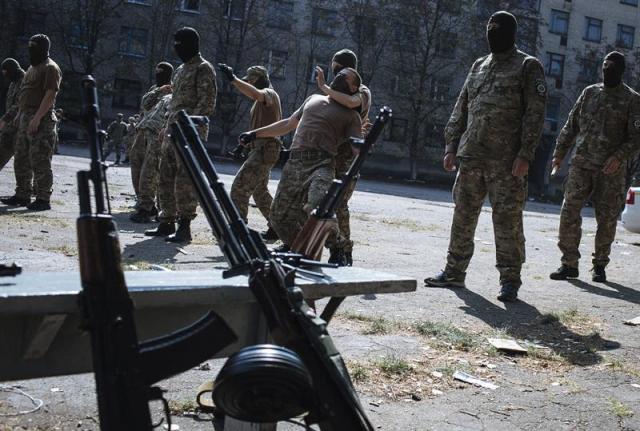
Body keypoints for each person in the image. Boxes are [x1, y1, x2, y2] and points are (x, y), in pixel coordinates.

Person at [423, 11, 547, 302]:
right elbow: (462, 106)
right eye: (489, 30)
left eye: (498, 31)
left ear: (511, 34)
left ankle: (510, 280)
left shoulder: (527, 66)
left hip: (507, 162)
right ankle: (454, 271)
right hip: (471, 157)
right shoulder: (479, 65)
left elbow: (535, 113)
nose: (492, 35)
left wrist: (526, 154)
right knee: (463, 216)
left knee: (507, 221)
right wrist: (451, 145)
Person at [238, 67, 362, 249]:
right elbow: (288, 124)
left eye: (345, 77)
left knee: (317, 205)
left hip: (322, 163)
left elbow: (356, 147)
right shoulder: (313, 99)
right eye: (339, 74)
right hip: (295, 163)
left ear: (353, 89)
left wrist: (362, 146)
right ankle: (300, 247)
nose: (340, 77)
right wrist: (255, 134)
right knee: (278, 218)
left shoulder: (352, 116)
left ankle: (339, 246)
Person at [549, 51, 640, 283]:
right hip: (581, 164)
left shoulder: (631, 99)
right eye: (604, 66)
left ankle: (599, 265)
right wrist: (559, 153)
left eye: (611, 67)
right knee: (569, 212)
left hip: (610, 170)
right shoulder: (589, 93)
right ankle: (568, 263)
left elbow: (636, 136)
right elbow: (571, 125)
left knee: (606, 218)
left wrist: (619, 157)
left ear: (620, 71)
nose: (606, 70)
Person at [145, 27, 217, 243]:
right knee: (164, 176)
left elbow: (207, 104)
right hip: (171, 131)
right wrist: (165, 126)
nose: (177, 49)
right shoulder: (180, 69)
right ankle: (166, 221)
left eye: (180, 45)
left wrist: (188, 127)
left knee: (185, 180)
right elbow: (174, 103)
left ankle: (184, 227)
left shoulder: (204, 68)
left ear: (192, 44)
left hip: (190, 133)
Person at [315, 49, 372, 266]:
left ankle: (344, 251)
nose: (333, 70)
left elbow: (351, 102)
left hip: (347, 156)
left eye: (335, 66)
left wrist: (324, 88)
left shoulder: (361, 90)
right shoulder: (337, 88)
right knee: (319, 200)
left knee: (338, 205)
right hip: (329, 153)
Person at [218, 63, 282, 239]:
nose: (249, 85)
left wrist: (233, 79)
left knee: (240, 187)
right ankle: (277, 227)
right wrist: (243, 145)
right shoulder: (261, 101)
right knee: (259, 191)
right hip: (262, 147)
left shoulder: (268, 93)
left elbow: (255, 93)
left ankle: (239, 231)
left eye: (251, 81)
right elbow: (259, 127)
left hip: (265, 148)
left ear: (261, 79)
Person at [1, 34, 62, 211]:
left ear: (43, 48)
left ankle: (43, 198)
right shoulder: (31, 68)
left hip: (40, 119)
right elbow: (24, 95)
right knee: (21, 158)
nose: (30, 50)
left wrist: (36, 118)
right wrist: (20, 114)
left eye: (34, 47)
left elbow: (50, 95)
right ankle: (22, 194)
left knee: (39, 159)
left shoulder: (51, 68)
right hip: (25, 117)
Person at [130, 62, 174, 222]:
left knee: (150, 170)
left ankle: (146, 207)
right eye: (157, 72)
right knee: (136, 164)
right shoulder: (155, 89)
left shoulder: (174, 91)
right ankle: (143, 200)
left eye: (161, 73)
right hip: (143, 129)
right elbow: (144, 104)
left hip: (157, 134)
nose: (158, 75)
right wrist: (158, 90)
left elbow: (173, 112)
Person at [0, 58, 25, 171]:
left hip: (21, 128)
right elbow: (10, 105)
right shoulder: (13, 83)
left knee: (22, 165)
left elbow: (20, 104)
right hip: (10, 128)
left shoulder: (25, 81)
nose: (6, 77)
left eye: (8, 74)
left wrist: (4, 119)